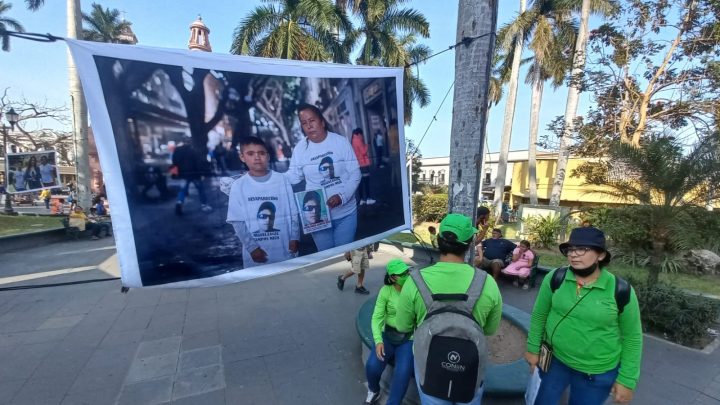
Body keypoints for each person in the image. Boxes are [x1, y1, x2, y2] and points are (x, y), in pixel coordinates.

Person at [525, 227, 642, 405]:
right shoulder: (556, 278)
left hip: (596, 372)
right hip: (554, 361)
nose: (573, 254)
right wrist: (533, 349)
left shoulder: (621, 290)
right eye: (570, 250)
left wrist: (627, 379)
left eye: (582, 249)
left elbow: (632, 337)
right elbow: (540, 314)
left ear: (601, 255)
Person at [395, 213, 503, 405]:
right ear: (470, 243)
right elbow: (489, 329)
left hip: (429, 366)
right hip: (469, 370)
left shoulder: (414, 281)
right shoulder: (487, 283)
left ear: (438, 241)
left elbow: (402, 326)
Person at [286, 104, 361, 251]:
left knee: (343, 256)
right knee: (326, 257)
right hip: (317, 217)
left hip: (345, 213)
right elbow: (293, 176)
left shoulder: (340, 142)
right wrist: (268, 177)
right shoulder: (300, 149)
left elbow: (355, 173)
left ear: (322, 121)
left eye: (312, 120)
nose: (309, 126)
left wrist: (342, 197)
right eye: (304, 123)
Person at [227, 137, 300, 267]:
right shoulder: (238, 186)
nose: (257, 157)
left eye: (261, 153)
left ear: (268, 156)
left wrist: (295, 237)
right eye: (250, 153)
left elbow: (293, 212)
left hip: (284, 248)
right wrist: (252, 248)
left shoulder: (281, 180)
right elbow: (237, 222)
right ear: (242, 157)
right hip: (256, 255)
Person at [364, 259, 414, 405]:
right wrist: (378, 340)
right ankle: (373, 390)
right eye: (401, 274)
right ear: (392, 277)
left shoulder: (414, 290)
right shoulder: (386, 291)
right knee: (372, 365)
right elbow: (377, 317)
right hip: (388, 335)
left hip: (409, 337)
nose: (406, 275)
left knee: (403, 372)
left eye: (407, 272)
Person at [173, 141, 212, 216]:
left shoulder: (178, 150)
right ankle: (204, 205)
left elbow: (175, 161)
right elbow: (198, 163)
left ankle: (179, 202)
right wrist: (201, 173)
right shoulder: (194, 150)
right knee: (200, 189)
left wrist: (176, 172)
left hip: (183, 173)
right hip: (194, 173)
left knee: (183, 190)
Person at [351, 128, 376, 205]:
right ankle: (368, 198)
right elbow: (363, 151)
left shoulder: (353, 140)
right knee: (366, 182)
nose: (362, 136)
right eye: (362, 134)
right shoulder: (358, 140)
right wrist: (367, 145)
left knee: (361, 182)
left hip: (358, 164)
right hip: (363, 164)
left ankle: (361, 200)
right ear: (359, 134)